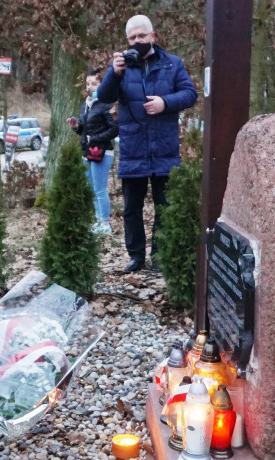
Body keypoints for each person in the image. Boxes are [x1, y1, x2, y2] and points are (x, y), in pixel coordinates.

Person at [97, 14, 198, 273]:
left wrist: (165, 103)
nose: (137, 40)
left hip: (165, 148)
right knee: (132, 208)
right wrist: (113, 72)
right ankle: (136, 256)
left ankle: (160, 256)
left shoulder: (172, 64)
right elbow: (103, 97)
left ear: (152, 36)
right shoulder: (121, 68)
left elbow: (189, 94)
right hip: (133, 150)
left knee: (165, 207)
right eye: (132, 38)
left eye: (142, 35)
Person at [68, 69, 119, 234]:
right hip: (87, 152)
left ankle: (105, 224)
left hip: (103, 152)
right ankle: (98, 221)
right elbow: (86, 130)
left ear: (103, 85)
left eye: (94, 83)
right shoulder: (86, 104)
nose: (90, 87)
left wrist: (95, 138)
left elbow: (114, 130)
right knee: (91, 189)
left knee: (100, 188)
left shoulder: (106, 104)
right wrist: (77, 128)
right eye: (88, 83)